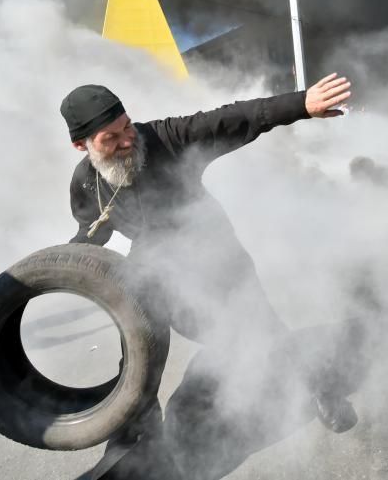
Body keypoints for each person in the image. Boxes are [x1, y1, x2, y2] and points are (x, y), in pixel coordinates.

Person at [60, 73, 355, 476]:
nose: (127, 140)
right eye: (110, 138)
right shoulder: (85, 183)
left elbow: (230, 118)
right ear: (82, 145)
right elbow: (91, 233)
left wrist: (301, 104)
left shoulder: (164, 138)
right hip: (156, 269)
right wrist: (62, 266)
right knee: (137, 348)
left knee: (263, 334)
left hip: (217, 257)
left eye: (126, 126)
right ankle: (134, 436)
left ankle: (321, 389)